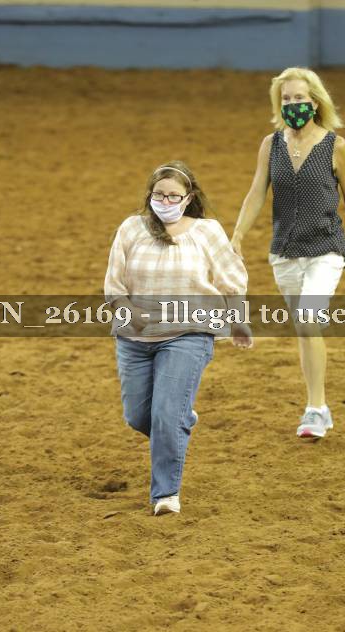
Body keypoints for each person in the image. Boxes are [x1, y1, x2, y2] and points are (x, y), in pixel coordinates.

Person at [231, 67, 345, 440]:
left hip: (326, 247)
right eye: (286, 99)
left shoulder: (336, 147)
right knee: (304, 329)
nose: (293, 104)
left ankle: (314, 407)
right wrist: (238, 234)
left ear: (316, 102)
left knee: (308, 320)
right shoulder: (271, 145)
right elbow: (257, 192)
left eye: (299, 98)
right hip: (285, 250)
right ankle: (320, 409)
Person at [105, 161, 252, 516]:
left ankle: (166, 494)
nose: (166, 201)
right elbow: (114, 283)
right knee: (138, 417)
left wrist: (239, 320)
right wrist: (126, 310)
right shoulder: (131, 228)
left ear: (188, 198)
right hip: (135, 338)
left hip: (189, 333)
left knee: (166, 415)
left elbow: (232, 279)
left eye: (174, 196)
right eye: (159, 195)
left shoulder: (207, 232)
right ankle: (179, 417)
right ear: (149, 196)